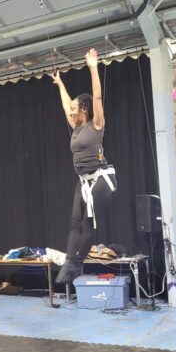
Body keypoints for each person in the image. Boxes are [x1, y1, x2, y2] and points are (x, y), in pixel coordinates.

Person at [52, 48, 117, 284]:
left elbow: (97, 97)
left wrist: (92, 67)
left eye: (75, 108)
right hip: (84, 181)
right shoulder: (76, 127)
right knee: (74, 221)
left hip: (102, 179)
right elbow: (65, 104)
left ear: (84, 110)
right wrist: (60, 84)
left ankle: (76, 263)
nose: (70, 110)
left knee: (87, 222)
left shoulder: (95, 124)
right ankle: (70, 263)